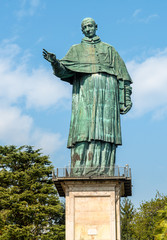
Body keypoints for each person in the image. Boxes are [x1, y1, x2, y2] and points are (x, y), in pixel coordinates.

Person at [43, 17, 132, 176]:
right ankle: (81, 169)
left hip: (108, 94)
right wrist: (54, 62)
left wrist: (125, 99)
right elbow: (64, 70)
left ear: (96, 27)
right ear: (82, 30)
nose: (88, 29)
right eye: (85, 27)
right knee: (83, 129)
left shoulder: (109, 49)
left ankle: (105, 169)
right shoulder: (76, 50)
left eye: (90, 26)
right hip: (85, 93)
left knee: (105, 131)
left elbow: (123, 77)